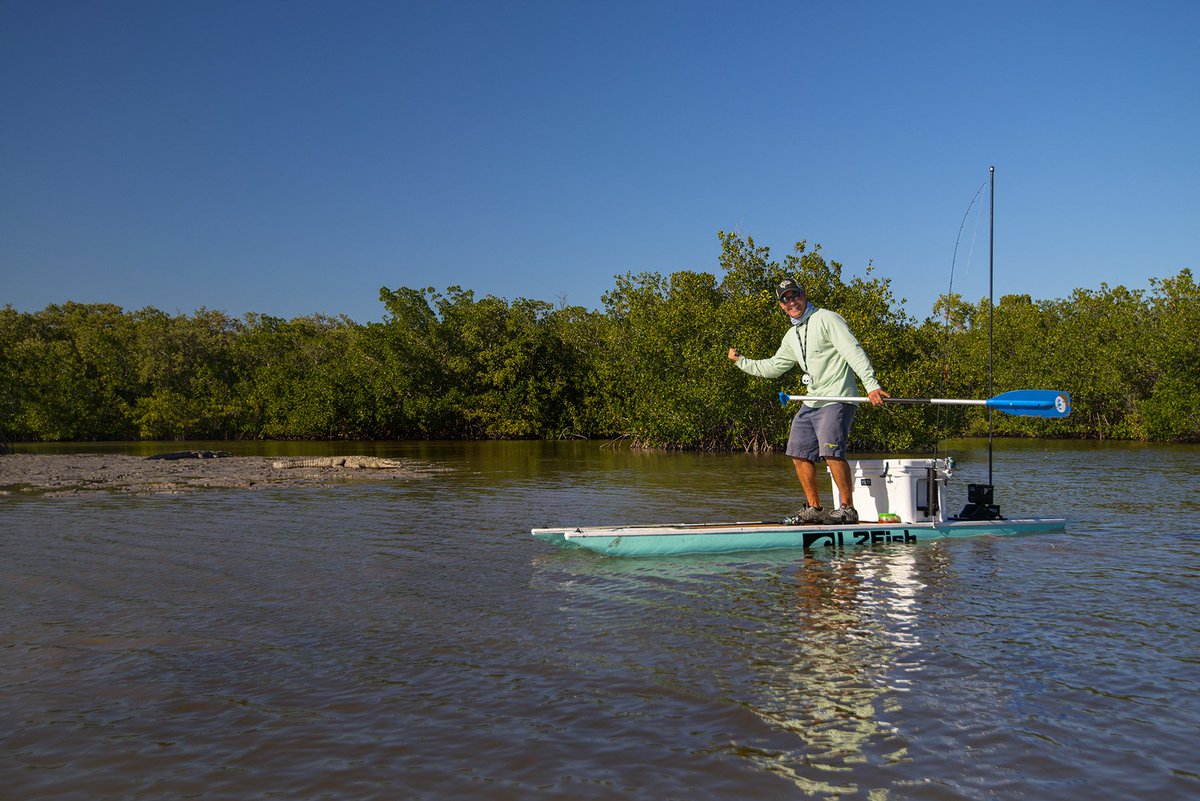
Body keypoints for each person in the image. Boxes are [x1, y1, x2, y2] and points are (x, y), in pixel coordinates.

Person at [727, 278, 890, 524]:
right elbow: (774, 366)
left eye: (795, 295)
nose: (791, 302)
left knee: (831, 452)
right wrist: (741, 361)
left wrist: (871, 384)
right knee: (798, 451)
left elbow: (852, 350)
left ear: (803, 295)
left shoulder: (827, 318)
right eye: (785, 299)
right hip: (811, 400)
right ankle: (814, 509)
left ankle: (847, 509)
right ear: (781, 305)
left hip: (836, 398)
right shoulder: (791, 335)